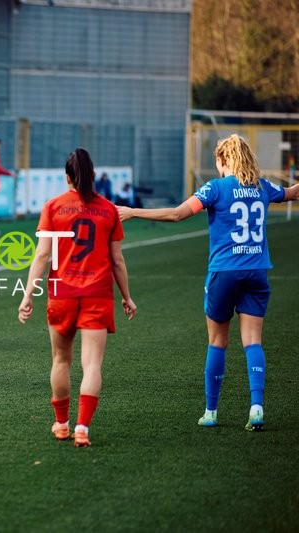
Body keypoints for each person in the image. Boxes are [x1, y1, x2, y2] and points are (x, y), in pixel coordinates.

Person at [118, 133, 299, 432]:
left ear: (224, 160)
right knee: (253, 340)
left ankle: (211, 412)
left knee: (218, 341)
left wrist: (133, 211)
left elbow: (177, 214)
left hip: (224, 272)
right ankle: (256, 407)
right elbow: (292, 192)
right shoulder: (262, 187)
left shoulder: (215, 188)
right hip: (256, 272)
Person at [18, 148, 136, 447]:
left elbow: (42, 254)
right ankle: (82, 427)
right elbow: (118, 261)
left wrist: (27, 294)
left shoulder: (54, 207)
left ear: (67, 177)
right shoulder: (109, 209)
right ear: (94, 175)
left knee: (61, 360)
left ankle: (61, 424)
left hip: (61, 294)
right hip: (97, 294)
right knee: (92, 365)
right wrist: (127, 297)